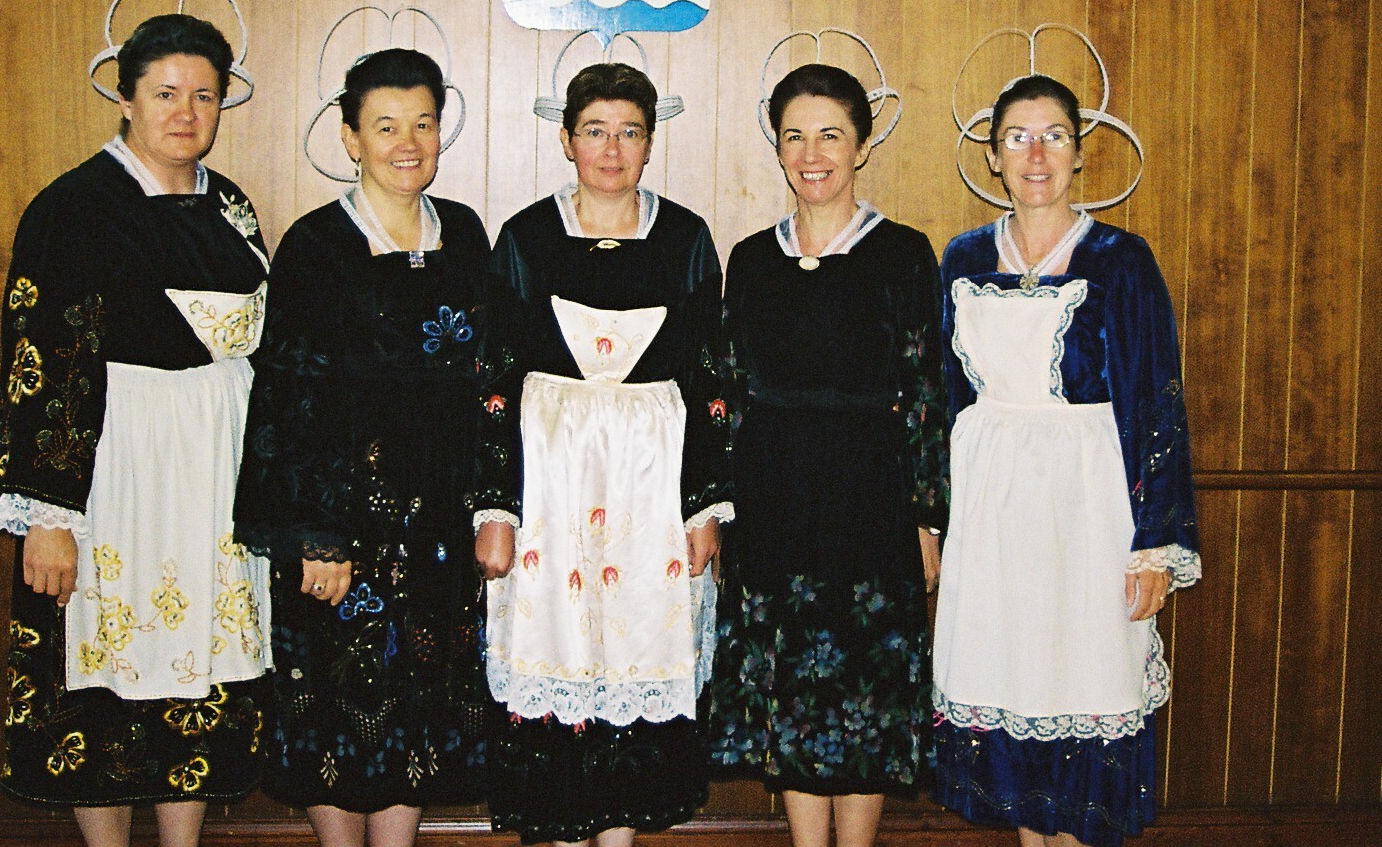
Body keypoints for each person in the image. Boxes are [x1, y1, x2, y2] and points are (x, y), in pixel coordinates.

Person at [0, 13, 271, 847]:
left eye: (204, 96)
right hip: (116, 473)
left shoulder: (229, 205)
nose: (186, 113)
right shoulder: (73, 208)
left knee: (199, 667)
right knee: (105, 667)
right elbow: (40, 364)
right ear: (126, 98)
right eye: (166, 93)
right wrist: (49, 516)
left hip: (212, 472)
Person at [930, 74, 1201, 847]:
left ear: (1080, 154)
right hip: (991, 514)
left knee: (1082, 687)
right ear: (993, 157)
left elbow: (1155, 401)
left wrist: (1154, 545)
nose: (1036, 155)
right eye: (1018, 138)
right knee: (1013, 689)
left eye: (1053, 136)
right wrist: (934, 520)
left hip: (1087, 512)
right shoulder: (963, 259)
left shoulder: (1120, 260)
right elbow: (944, 399)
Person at [472, 62, 734, 847]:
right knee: (555, 645)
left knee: (636, 644)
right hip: (552, 480)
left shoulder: (686, 238)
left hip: (649, 483)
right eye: (595, 131)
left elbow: (711, 378)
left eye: (629, 133)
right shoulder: (525, 238)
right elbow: (493, 379)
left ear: (650, 143)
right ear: (566, 140)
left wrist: (705, 507)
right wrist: (496, 506)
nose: (612, 151)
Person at [233, 49, 491, 846]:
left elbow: (491, 378)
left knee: (418, 704)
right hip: (345, 526)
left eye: (423, 124)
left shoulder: (465, 233)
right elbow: (290, 397)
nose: (407, 143)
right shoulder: (317, 245)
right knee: (338, 704)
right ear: (350, 138)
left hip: (438, 526)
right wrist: (318, 537)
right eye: (385, 126)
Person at [711, 63, 947, 847]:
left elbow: (927, 390)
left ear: (862, 147)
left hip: (872, 496)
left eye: (831, 136)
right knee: (793, 694)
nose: (812, 155)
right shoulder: (751, 258)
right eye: (795, 137)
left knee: (867, 693)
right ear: (778, 148)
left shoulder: (904, 254)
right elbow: (728, 390)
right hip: (773, 497)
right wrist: (723, 512)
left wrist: (927, 520)